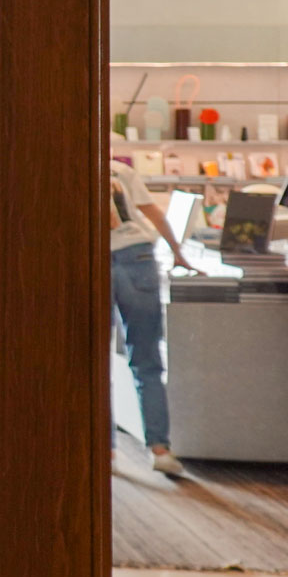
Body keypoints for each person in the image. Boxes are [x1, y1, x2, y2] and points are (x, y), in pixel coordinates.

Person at [109, 159, 198, 476]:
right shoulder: (121, 169)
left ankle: (105, 451)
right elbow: (154, 214)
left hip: (95, 253)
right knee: (147, 361)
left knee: (94, 366)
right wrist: (178, 252)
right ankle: (160, 450)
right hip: (139, 256)